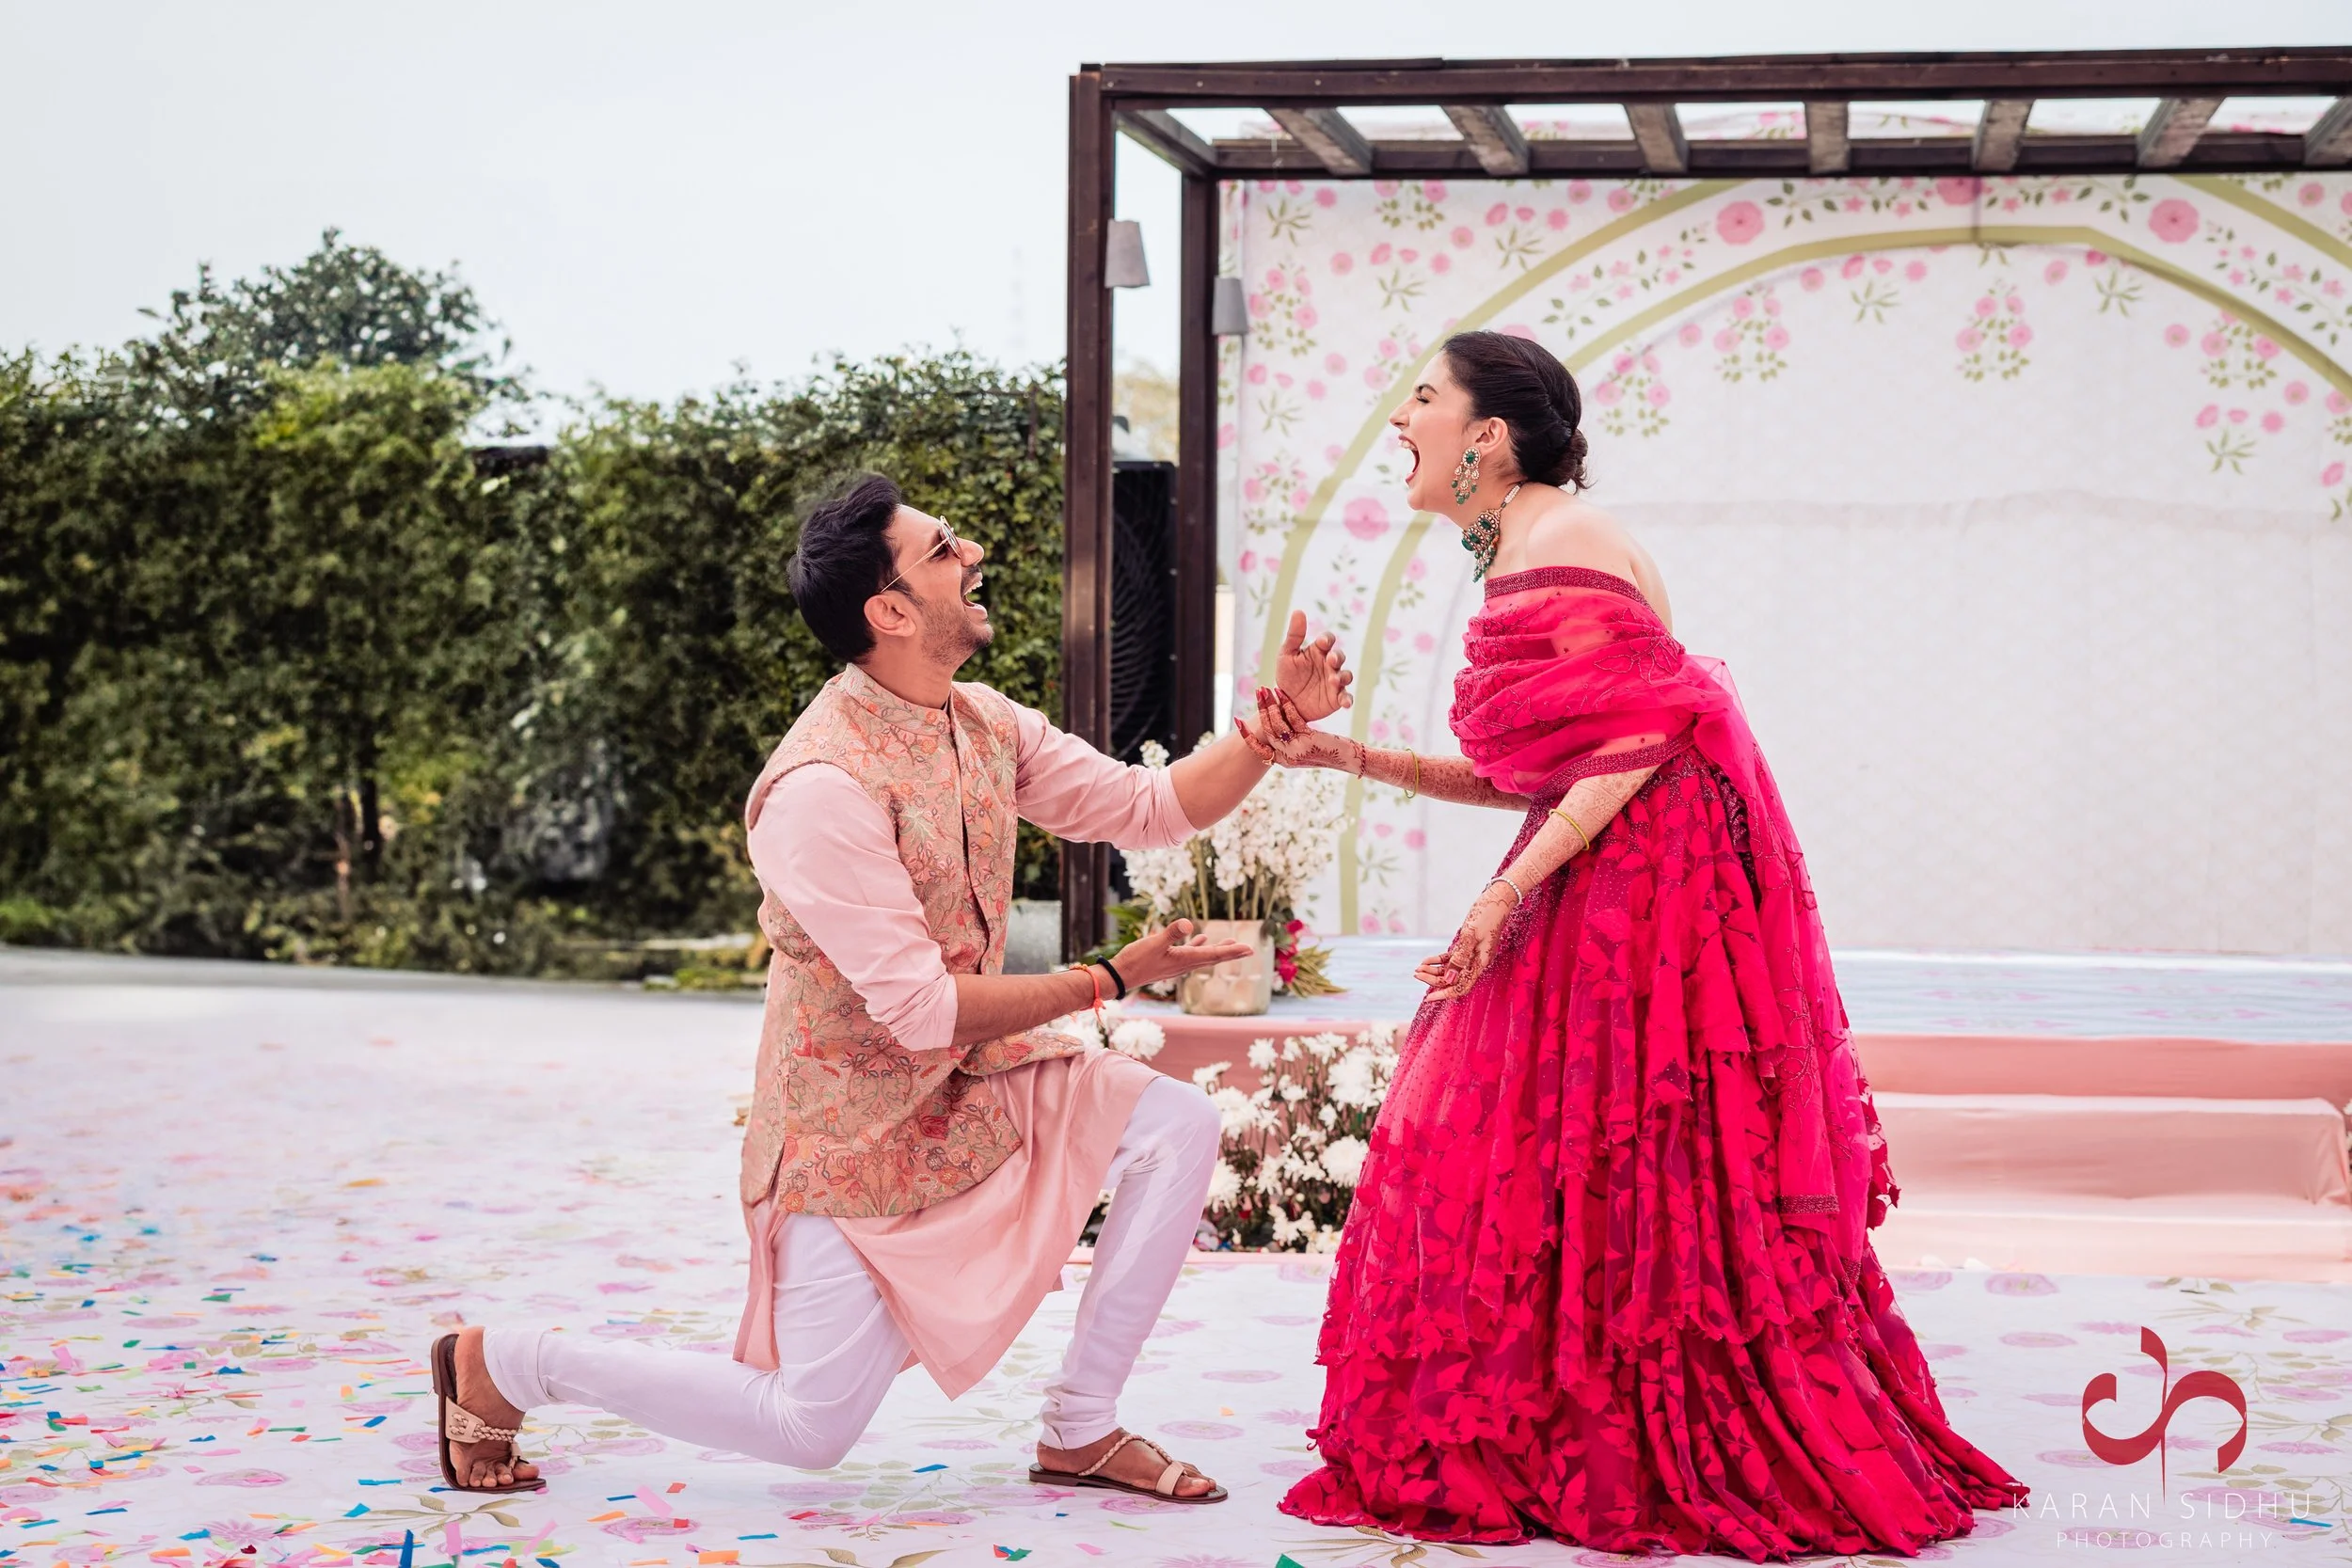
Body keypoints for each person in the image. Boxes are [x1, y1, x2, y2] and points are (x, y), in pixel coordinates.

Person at [1234, 332, 2027, 1558]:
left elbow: (1644, 742)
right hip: (1609, 858)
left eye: (1423, 398)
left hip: (1650, 887)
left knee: (1622, 1143)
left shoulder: (1565, 540)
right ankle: (1579, 1417)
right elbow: (1545, 771)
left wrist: (1503, 899)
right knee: (1566, 1146)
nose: (1401, 418)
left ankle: (1636, 1426)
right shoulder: (1528, 546)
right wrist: (1341, 754)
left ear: (1487, 436)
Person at [425, 471, 1355, 1502]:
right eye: (944, 547)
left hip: (971, 1082)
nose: (974, 554)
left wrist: (1273, 730)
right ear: (892, 611)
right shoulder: (819, 789)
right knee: (807, 1427)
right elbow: (923, 1011)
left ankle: (1080, 1427)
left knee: (1175, 1124)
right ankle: (507, 1361)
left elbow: (1149, 807)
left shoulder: (981, 721)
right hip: (852, 1135)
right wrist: (1108, 977)